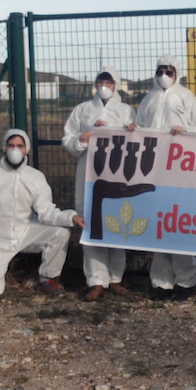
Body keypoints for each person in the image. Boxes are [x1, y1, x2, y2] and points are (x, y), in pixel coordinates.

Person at [130, 54, 196, 300]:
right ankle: (161, 283)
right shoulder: (148, 99)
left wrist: (187, 132)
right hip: (153, 168)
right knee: (159, 224)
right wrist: (133, 129)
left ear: (177, 73)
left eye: (169, 71)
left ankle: (186, 281)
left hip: (180, 170)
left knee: (178, 223)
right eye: (160, 70)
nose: (164, 75)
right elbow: (139, 127)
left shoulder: (187, 97)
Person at [0, 129, 84, 298]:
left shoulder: (35, 177)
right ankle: (5, 276)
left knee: (60, 232)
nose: (15, 150)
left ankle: (47, 279)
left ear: (26, 149)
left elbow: (46, 211)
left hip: (24, 232)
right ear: (4, 148)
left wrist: (70, 217)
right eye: (11, 145)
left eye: (20, 146)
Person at [63, 67, 137, 301]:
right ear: (95, 84)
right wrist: (82, 139)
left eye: (109, 81)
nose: (104, 85)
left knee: (117, 222)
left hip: (118, 173)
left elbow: (139, 141)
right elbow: (68, 140)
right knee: (91, 222)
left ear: (116, 84)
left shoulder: (126, 111)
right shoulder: (82, 110)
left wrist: (132, 132)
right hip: (89, 174)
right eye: (100, 81)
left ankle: (115, 278)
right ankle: (96, 281)